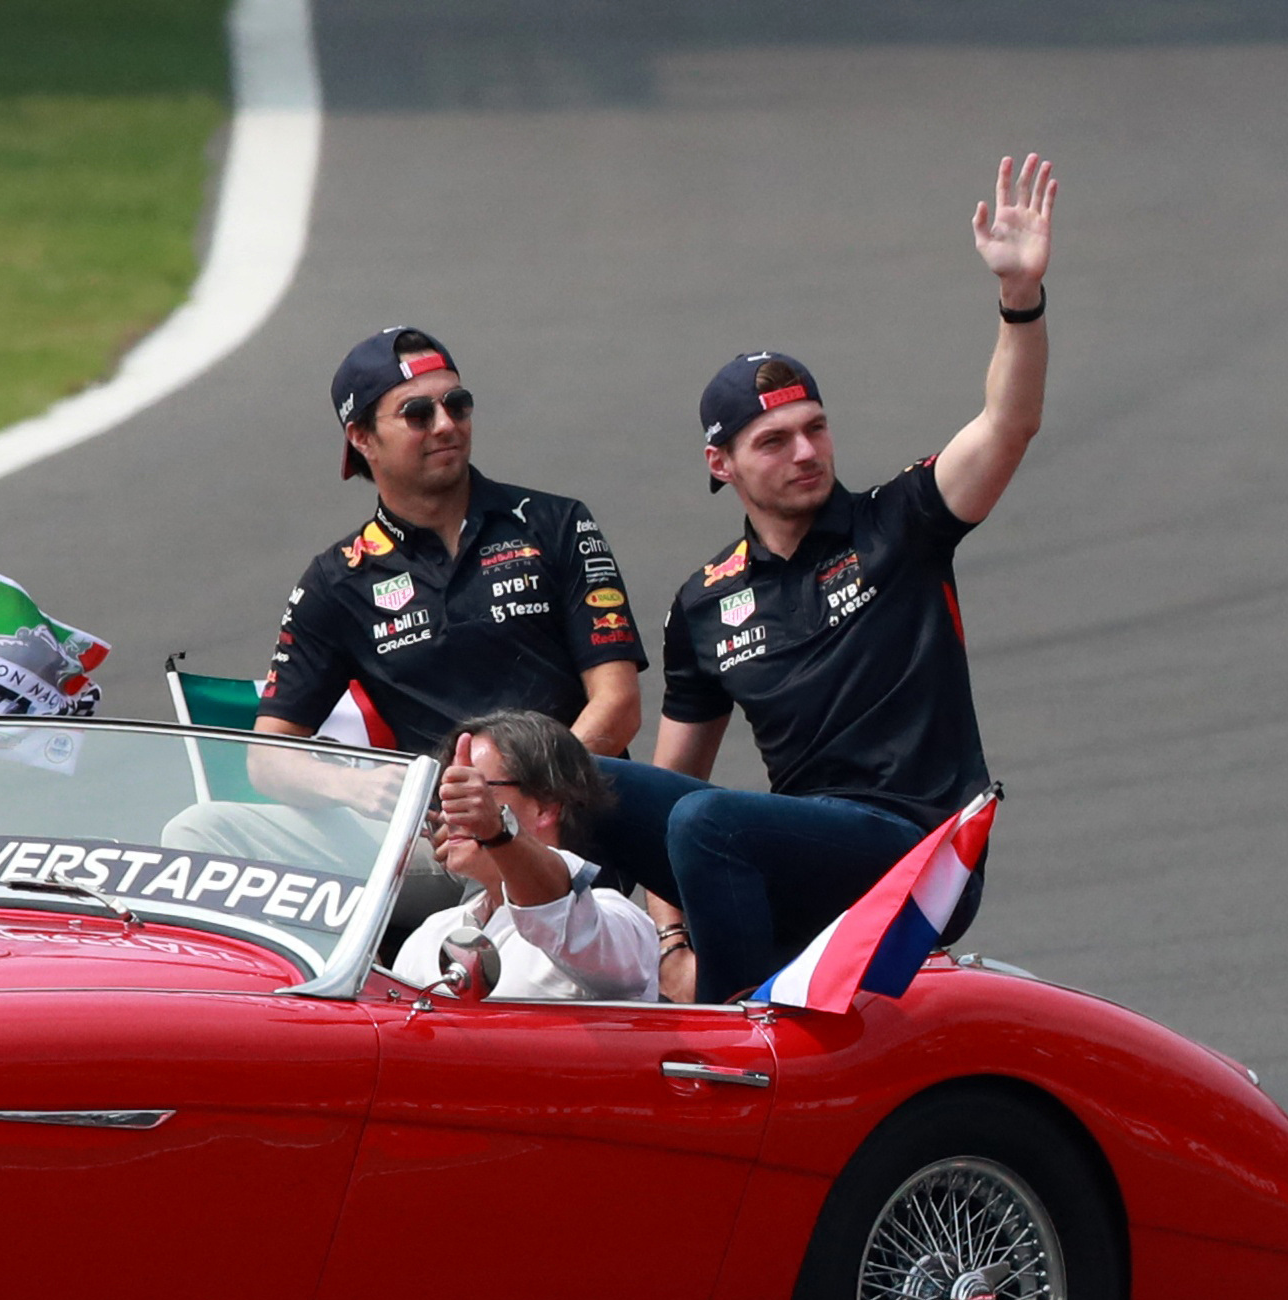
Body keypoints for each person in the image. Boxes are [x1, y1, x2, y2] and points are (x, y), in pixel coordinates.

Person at [594, 154, 1057, 1003]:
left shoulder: (901, 522)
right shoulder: (703, 601)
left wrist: (1018, 298)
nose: (805, 451)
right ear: (720, 463)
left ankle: (733, 1026)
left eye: (814, 428)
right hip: (800, 845)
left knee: (706, 822)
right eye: (773, 441)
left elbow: (1009, 421)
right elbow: (670, 787)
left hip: (916, 851)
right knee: (578, 776)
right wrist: (665, 935)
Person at [248, 325, 648, 816]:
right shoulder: (336, 580)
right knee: (204, 827)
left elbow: (619, 704)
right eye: (417, 413)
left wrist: (529, 798)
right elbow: (268, 758)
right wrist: (357, 787)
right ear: (361, 437)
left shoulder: (556, 523)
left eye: (456, 404)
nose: (445, 425)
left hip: (566, 818)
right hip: (443, 838)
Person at [388, 712, 657, 1003]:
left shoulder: (619, 922)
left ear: (545, 806)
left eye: (474, 791)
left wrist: (497, 830)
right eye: (448, 793)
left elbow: (559, 915)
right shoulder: (430, 935)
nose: (450, 812)